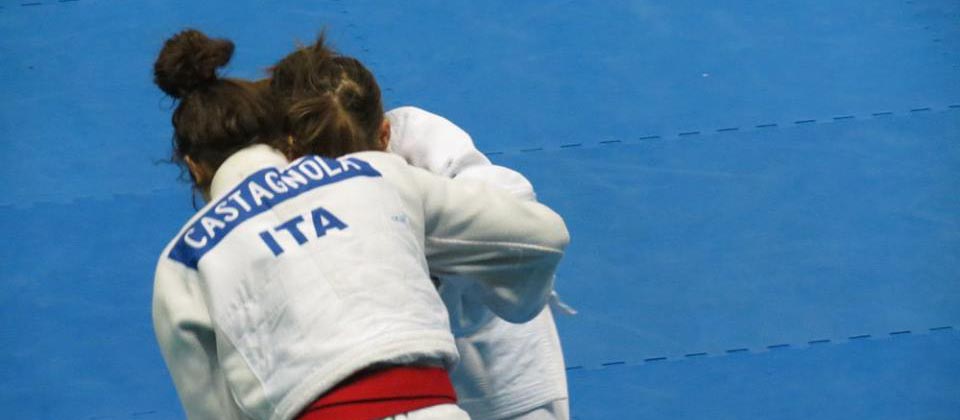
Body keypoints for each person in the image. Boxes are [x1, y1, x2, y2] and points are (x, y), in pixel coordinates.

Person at [151, 29, 569, 420]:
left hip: (493, 374)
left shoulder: (182, 260)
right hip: (433, 391)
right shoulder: (376, 176)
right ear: (283, 143)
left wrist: (412, 245)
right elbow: (542, 237)